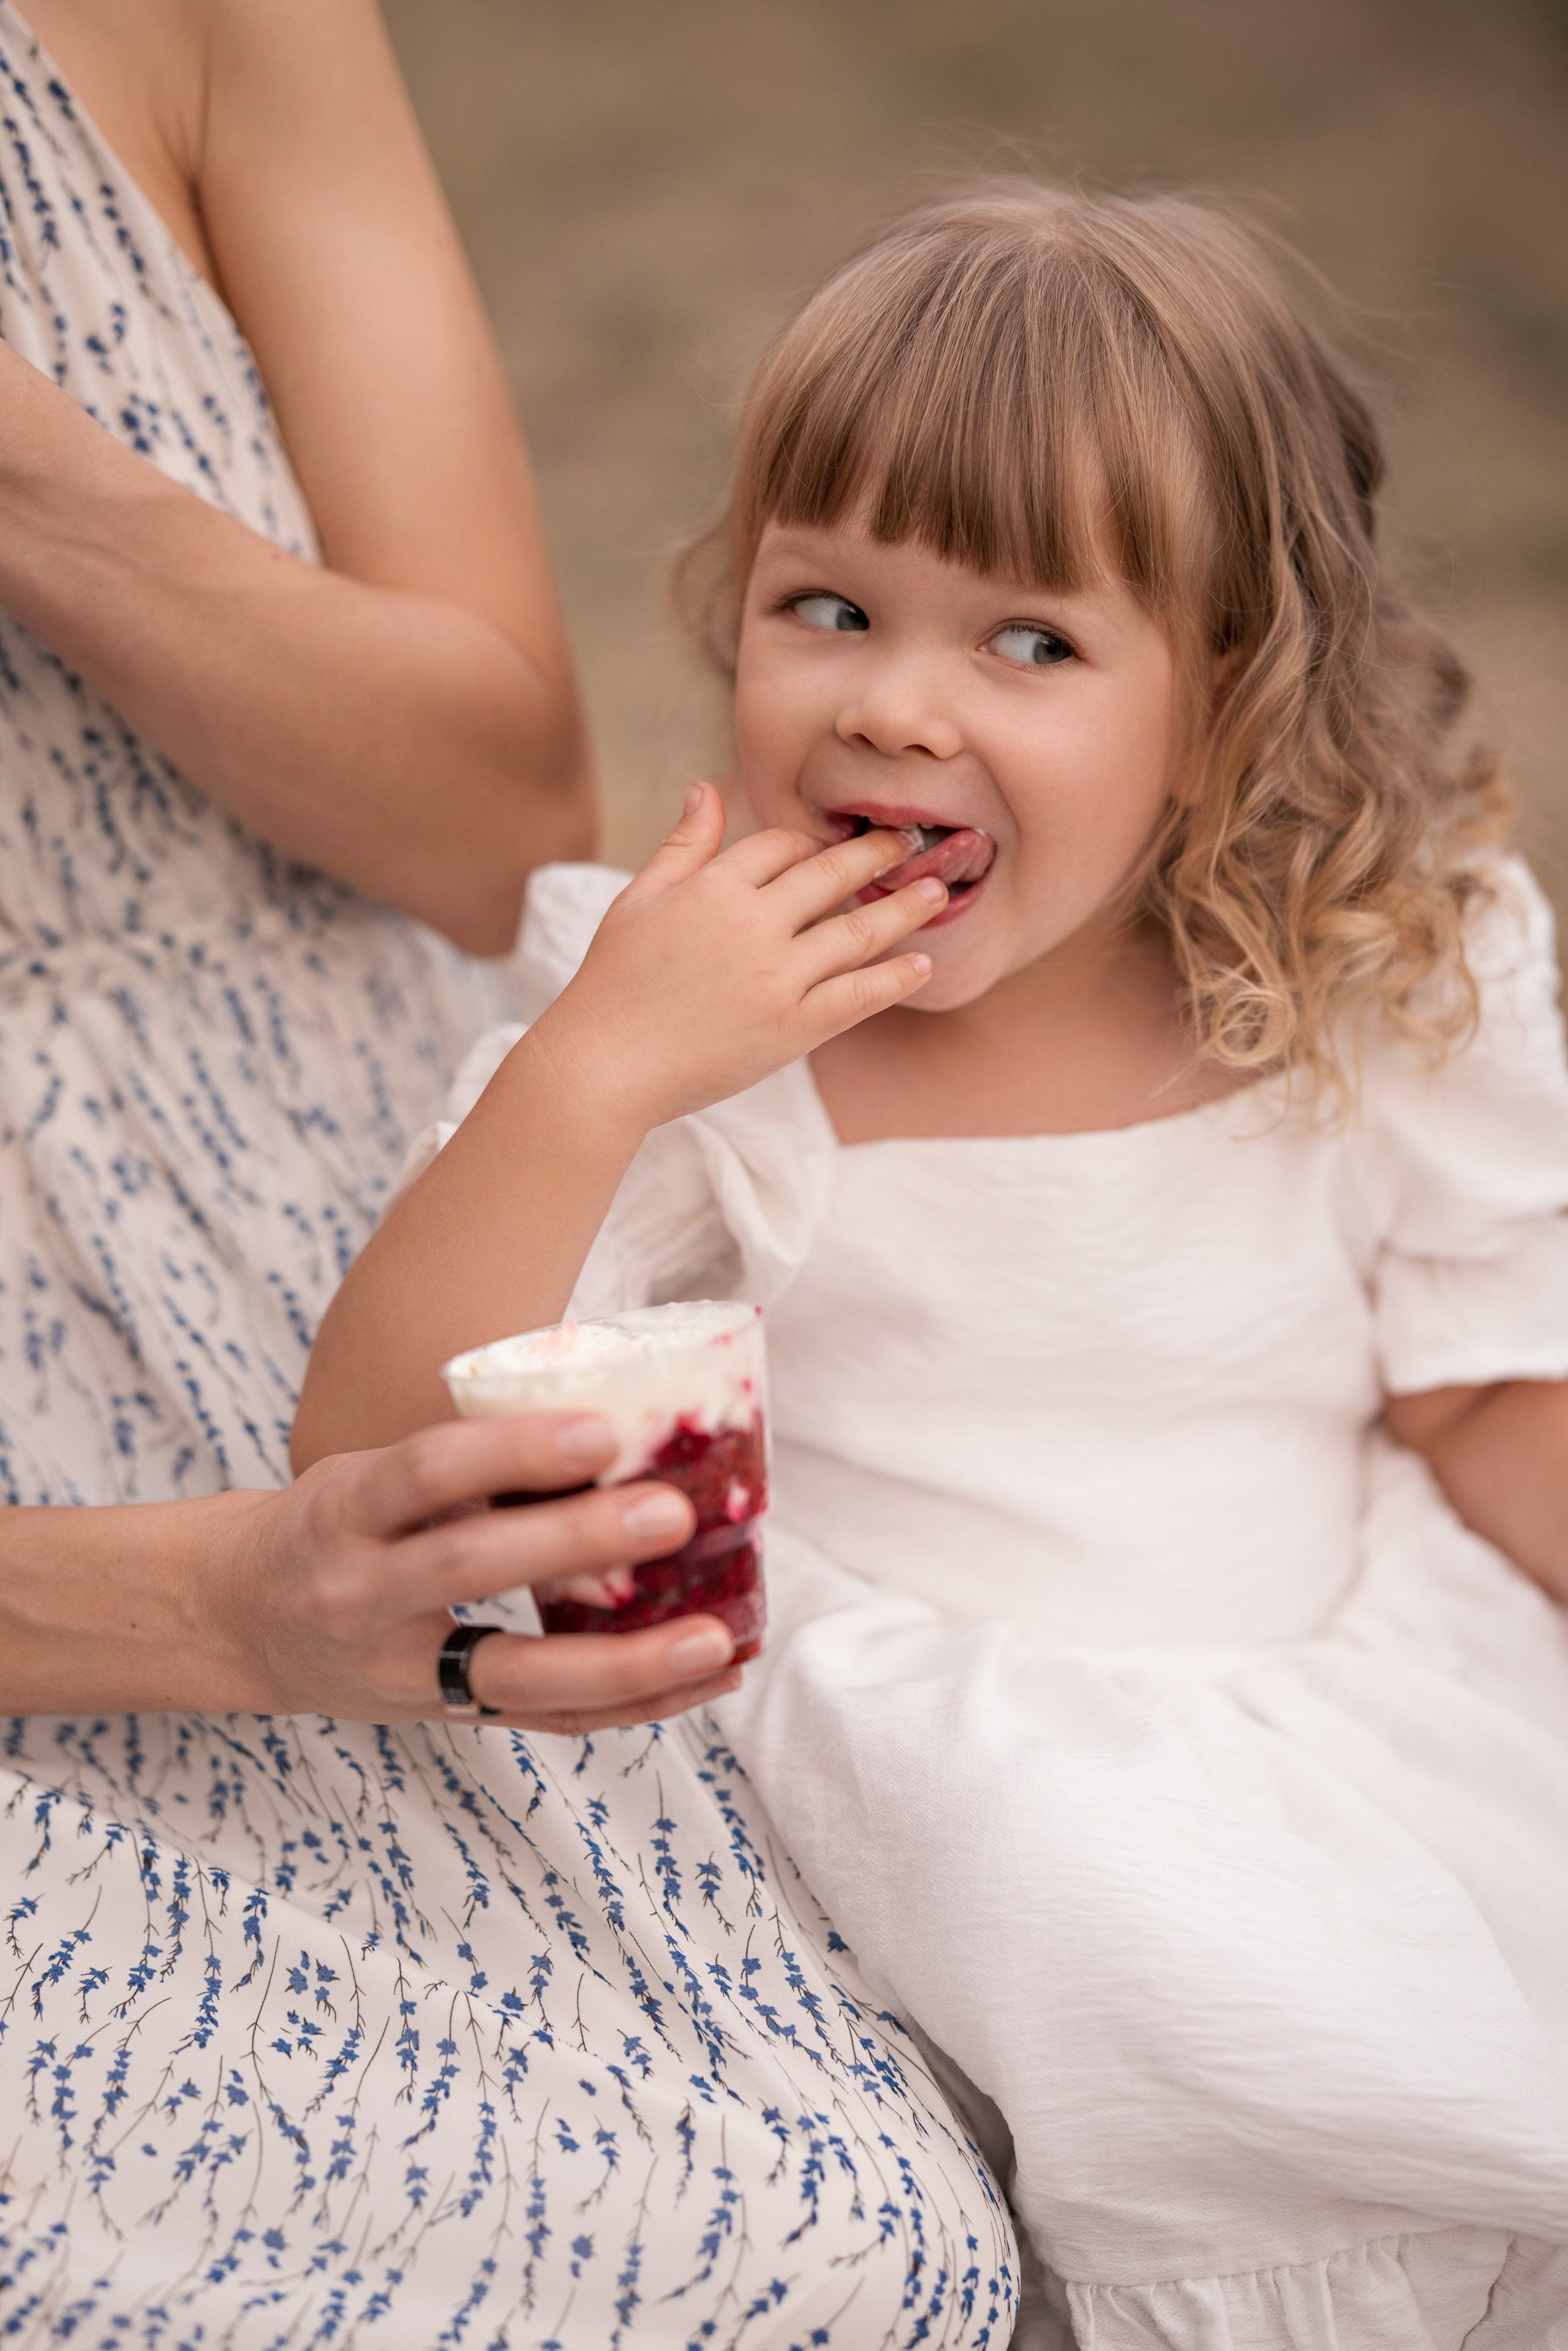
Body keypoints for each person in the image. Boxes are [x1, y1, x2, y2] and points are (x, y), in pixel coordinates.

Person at [298, 187, 1568, 2346]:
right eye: (827, 604)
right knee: (1159, 2016)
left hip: (1348, 1710)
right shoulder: (714, 1045)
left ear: (1227, 701)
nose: (895, 707)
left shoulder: (1375, 974)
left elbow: (1479, 1381)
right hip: (932, 1791)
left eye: (1031, 642)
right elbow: (372, 1463)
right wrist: (596, 1071)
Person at [0, 8, 1017, 2342]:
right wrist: (217, 1608)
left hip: (331, 1224)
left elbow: (488, 822)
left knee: (857, 2237)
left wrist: (37, 479)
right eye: (831, 614)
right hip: (115, 1560)